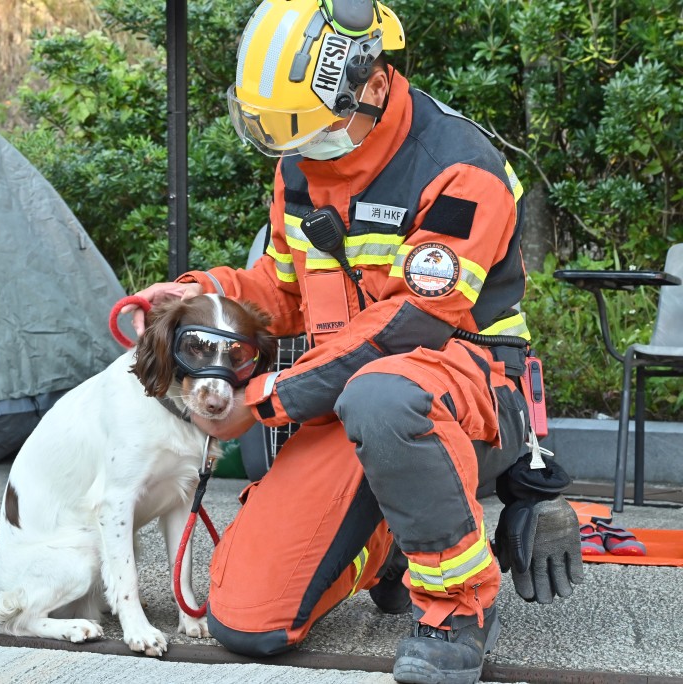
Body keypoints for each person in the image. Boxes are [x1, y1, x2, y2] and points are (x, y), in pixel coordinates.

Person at [129, 1, 584, 682]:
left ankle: (457, 610)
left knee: (384, 394)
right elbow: (280, 292)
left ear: (371, 83)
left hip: (470, 394)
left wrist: (271, 396)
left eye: (310, 129)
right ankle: (395, 543)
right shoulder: (299, 171)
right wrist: (200, 295)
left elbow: (416, 323)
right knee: (246, 623)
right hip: (346, 400)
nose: (301, 149)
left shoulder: (459, 168)